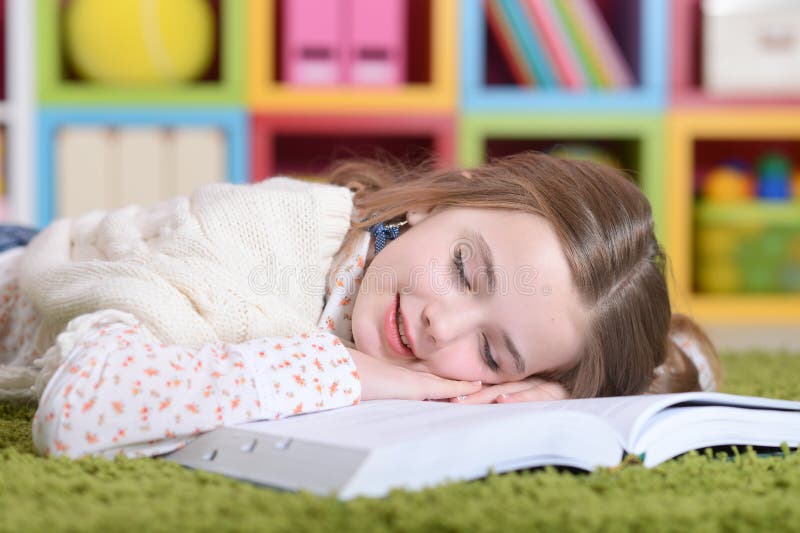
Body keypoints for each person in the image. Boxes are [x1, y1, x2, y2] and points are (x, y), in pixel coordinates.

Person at [0, 151, 721, 459]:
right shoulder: (266, 239)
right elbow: (82, 410)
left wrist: (553, 391)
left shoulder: (438, 322)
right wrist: (347, 373)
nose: (446, 322)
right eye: (467, 269)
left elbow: (677, 360)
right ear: (441, 201)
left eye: (494, 351)